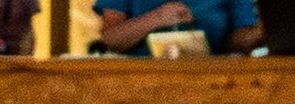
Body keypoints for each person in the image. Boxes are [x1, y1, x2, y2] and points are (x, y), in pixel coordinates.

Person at [94, 0, 261, 52]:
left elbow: (238, 41)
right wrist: (158, 18)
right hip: (139, 84)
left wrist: (267, 32)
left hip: (213, 84)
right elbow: (110, 39)